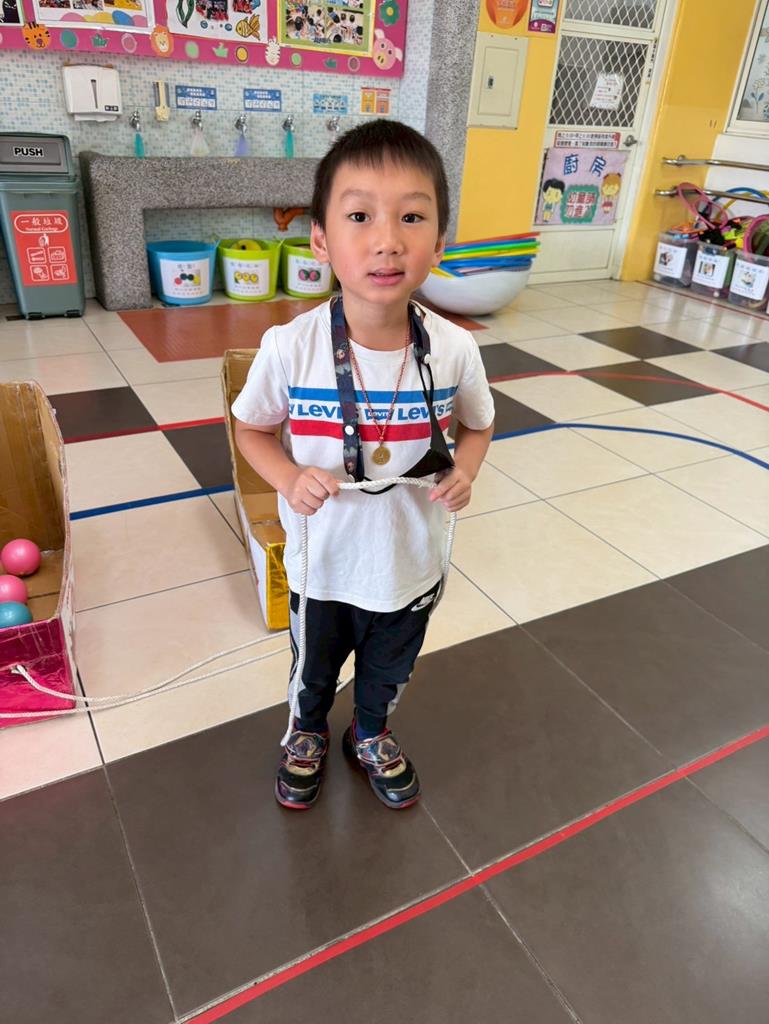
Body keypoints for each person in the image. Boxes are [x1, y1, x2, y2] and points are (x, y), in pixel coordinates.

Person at [232, 119, 495, 811]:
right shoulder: (290, 347)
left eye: (411, 216)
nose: (387, 240)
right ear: (320, 239)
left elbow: (479, 424)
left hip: (411, 560)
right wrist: (288, 477)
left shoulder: (455, 349)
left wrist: (466, 469)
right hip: (323, 565)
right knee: (313, 674)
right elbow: (250, 428)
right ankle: (307, 733)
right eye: (359, 217)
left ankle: (371, 732)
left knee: (389, 670)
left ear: (439, 241)